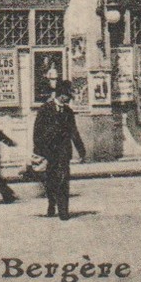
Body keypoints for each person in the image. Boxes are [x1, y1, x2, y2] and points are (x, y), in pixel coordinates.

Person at [32, 80, 87, 219]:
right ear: (61, 95)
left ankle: (63, 212)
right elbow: (37, 131)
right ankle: (52, 203)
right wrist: (38, 151)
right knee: (50, 180)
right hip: (49, 152)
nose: (68, 99)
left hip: (63, 151)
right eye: (67, 96)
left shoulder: (68, 111)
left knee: (63, 180)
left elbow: (74, 131)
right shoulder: (45, 109)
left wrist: (81, 151)